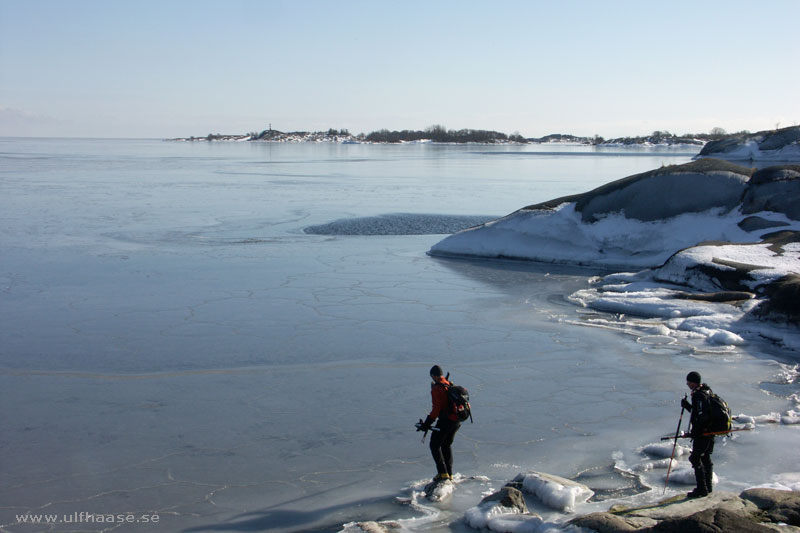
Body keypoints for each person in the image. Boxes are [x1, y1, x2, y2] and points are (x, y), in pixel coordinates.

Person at [418, 365, 461, 482]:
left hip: (446, 421)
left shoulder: (437, 388)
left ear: (434, 376)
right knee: (446, 445)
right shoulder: (449, 383)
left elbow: (436, 408)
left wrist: (427, 423)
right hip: (456, 421)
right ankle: (449, 474)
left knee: (434, 445)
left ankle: (442, 474)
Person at [680, 371, 715, 498]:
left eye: (688, 381)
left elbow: (701, 416)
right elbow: (698, 412)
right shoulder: (707, 391)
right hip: (711, 431)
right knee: (705, 457)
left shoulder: (698, 395)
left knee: (695, 458)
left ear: (693, 382)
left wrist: (695, 432)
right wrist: (688, 406)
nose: (687, 384)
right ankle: (708, 487)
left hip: (703, 433)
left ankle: (702, 489)